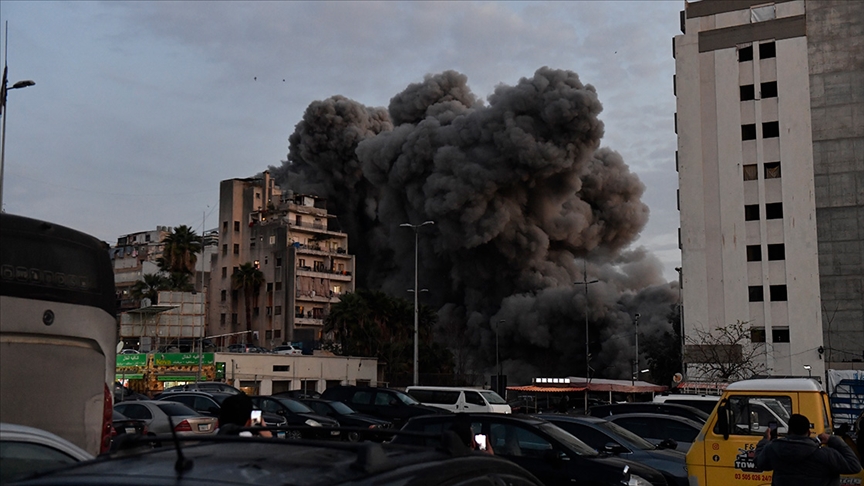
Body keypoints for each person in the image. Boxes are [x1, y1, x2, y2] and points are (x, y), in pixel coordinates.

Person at [754, 413, 861, 486]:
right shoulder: (825, 454)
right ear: (809, 432)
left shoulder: (773, 449)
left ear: (789, 431)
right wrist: (833, 440)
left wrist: (765, 440)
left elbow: (760, 463)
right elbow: (854, 466)